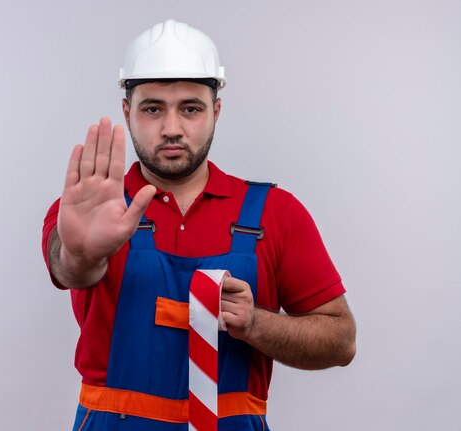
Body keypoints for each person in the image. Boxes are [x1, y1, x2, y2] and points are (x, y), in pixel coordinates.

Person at [42, 19, 356, 431]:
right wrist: (80, 255)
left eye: (190, 108)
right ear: (127, 111)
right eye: (153, 108)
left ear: (216, 111)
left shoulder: (275, 213)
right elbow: (68, 268)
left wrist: (256, 323)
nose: (172, 128)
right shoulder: (87, 207)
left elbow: (341, 341)